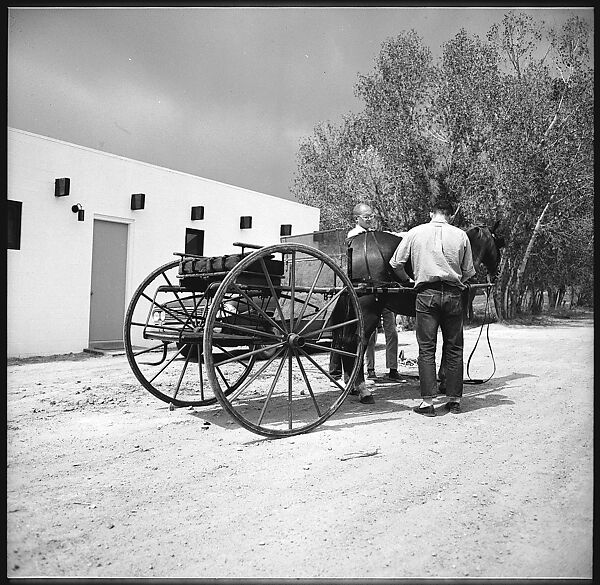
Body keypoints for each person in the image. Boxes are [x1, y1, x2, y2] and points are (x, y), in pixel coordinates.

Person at [389, 179, 475, 416]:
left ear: (431, 213)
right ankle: (455, 400)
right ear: (449, 215)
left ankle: (428, 402)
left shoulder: (415, 232)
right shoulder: (460, 235)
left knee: (426, 348)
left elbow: (396, 263)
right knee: (454, 347)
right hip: (454, 295)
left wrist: (408, 280)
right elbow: (468, 271)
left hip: (426, 294)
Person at [329, 202, 399, 392]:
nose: (370, 219)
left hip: (379, 286)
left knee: (380, 332)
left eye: (371, 216)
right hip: (363, 285)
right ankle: (343, 374)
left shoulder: (372, 236)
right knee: (355, 332)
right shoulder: (355, 237)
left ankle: (361, 373)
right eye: (366, 217)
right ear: (357, 219)